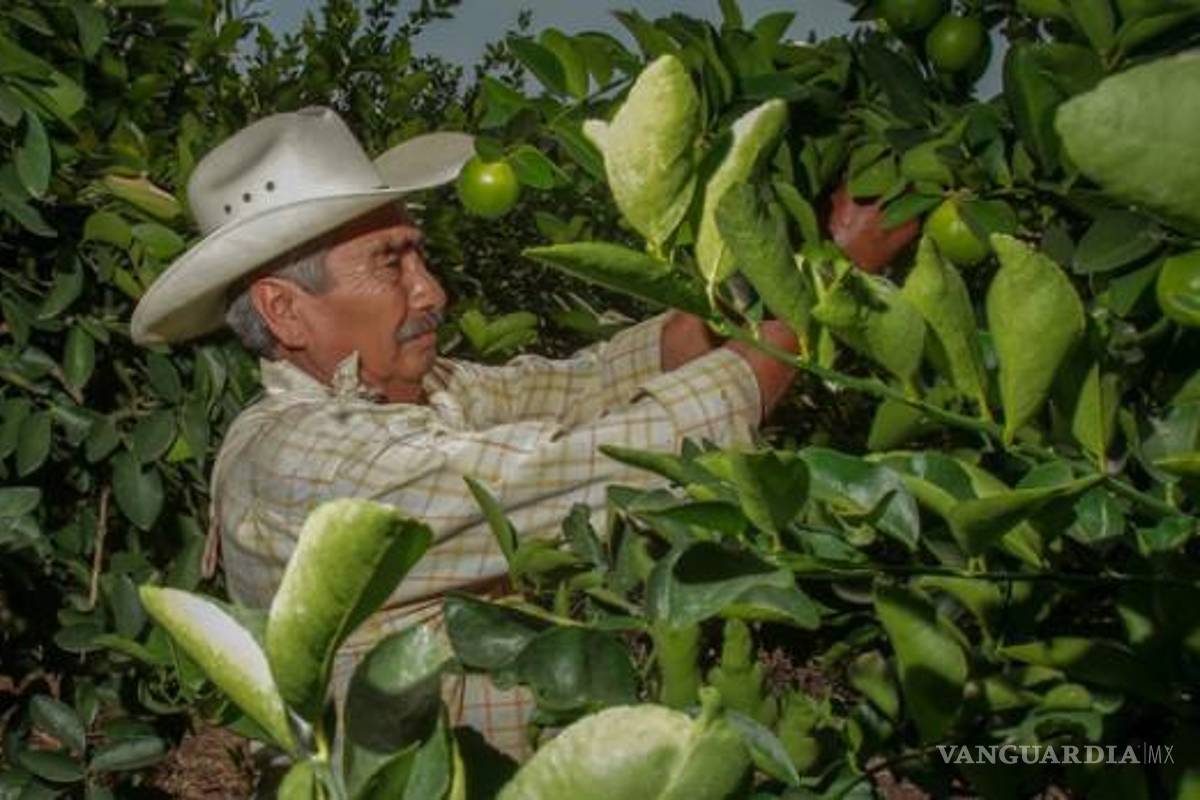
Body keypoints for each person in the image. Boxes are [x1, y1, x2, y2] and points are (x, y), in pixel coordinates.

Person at [131, 107, 799, 761]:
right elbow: (585, 470)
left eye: (419, 257)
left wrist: (773, 268)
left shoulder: (416, 390)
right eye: (390, 265)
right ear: (286, 310)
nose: (433, 292)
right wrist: (798, 331)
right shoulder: (303, 456)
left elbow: (587, 382)